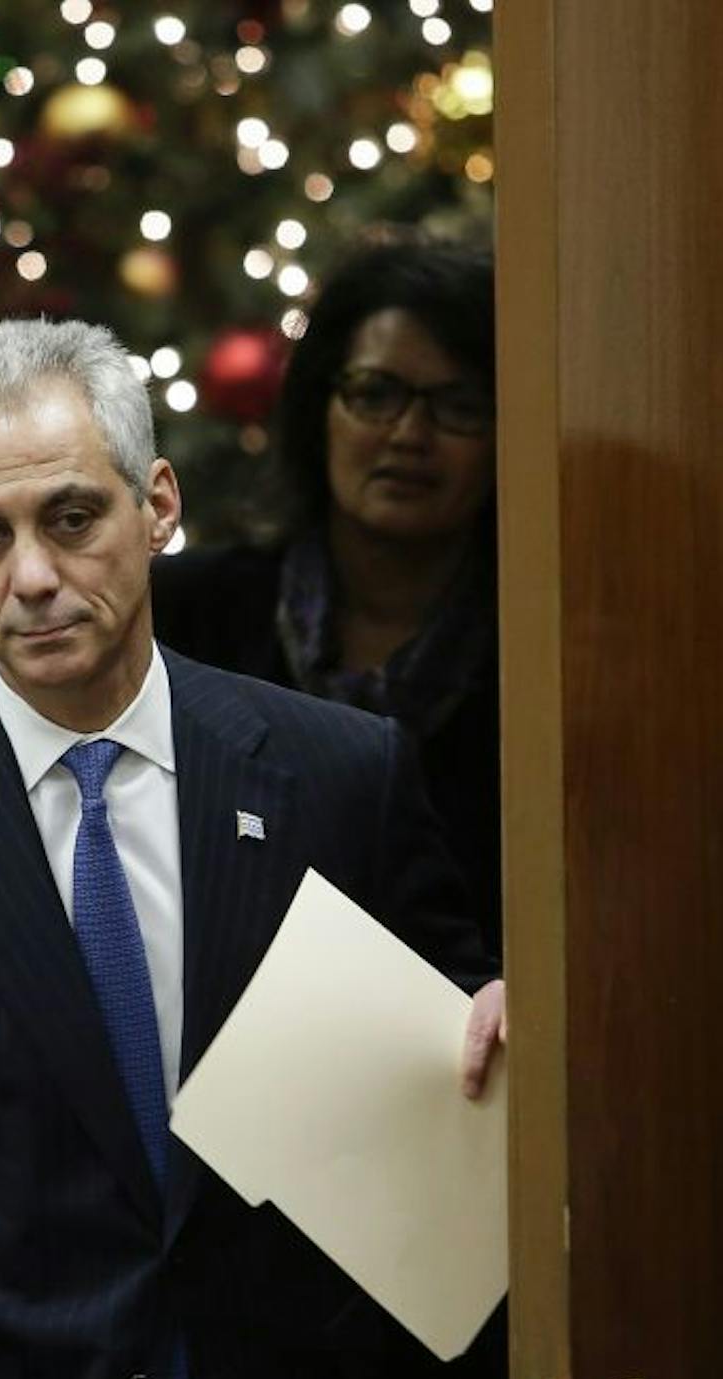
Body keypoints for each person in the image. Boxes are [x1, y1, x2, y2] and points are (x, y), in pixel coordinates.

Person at [0, 316, 509, 1379]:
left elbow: (463, 1037)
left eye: (73, 517)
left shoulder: (339, 775)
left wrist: (499, 1019)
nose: (32, 577)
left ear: (159, 508)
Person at [155, 240, 502, 955]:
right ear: (320, 409)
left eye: (458, 406)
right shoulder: (183, 617)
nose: (410, 435)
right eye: (375, 395)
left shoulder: (542, 653)